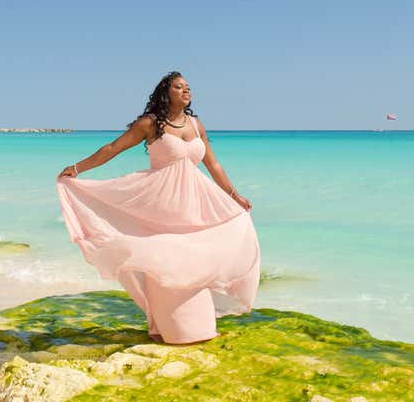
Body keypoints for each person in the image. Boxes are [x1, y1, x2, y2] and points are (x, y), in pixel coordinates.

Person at [55, 71, 261, 345]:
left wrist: (234, 195)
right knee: (163, 258)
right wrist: (78, 168)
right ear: (167, 93)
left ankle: (195, 326)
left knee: (194, 259)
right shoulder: (150, 124)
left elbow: (213, 165)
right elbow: (114, 147)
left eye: (188, 87)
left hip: (196, 202)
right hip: (160, 203)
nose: (186, 91)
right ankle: (169, 326)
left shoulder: (197, 124)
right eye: (179, 87)